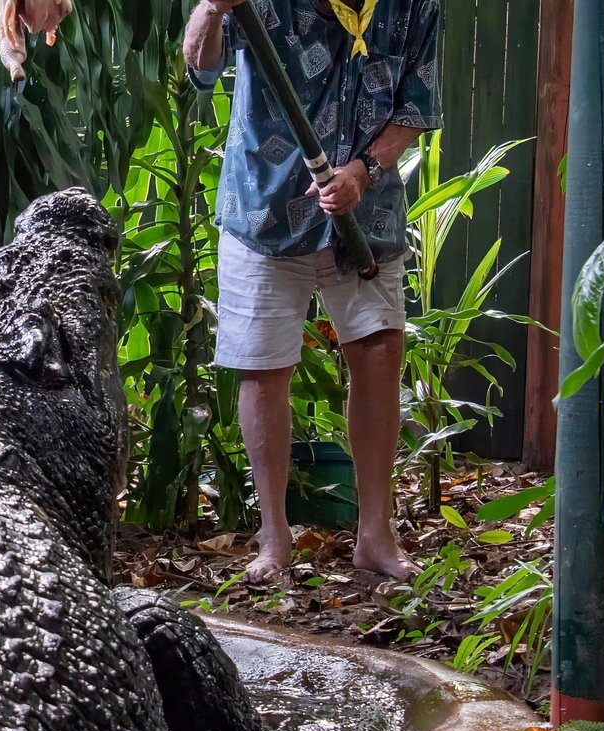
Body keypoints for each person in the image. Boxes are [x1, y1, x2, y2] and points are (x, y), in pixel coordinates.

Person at [182, 0, 441, 581]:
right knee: (264, 366)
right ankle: (273, 541)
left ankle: (375, 536)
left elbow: (415, 106)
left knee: (380, 352)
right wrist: (211, 9)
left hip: (365, 213)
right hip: (264, 208)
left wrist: (364, 169)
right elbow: (199, 66)